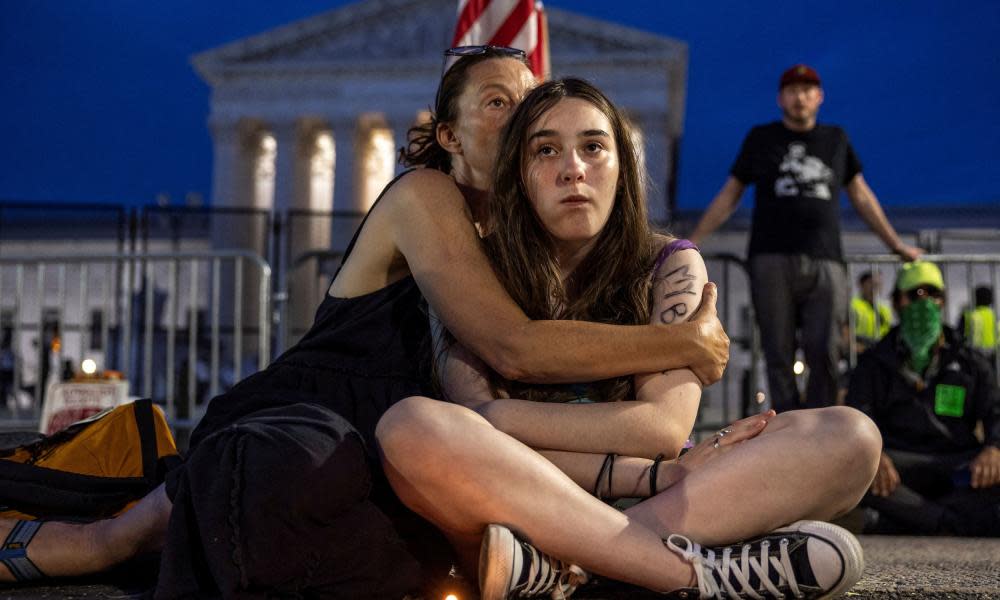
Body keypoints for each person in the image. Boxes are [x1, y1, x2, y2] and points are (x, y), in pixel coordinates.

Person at [0, 47, 730, 599]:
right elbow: (517, 348)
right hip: (318, 407)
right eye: (498, 103)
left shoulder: (515, 242)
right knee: (300, 481)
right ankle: (96, 542)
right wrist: (682, 341)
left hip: (411, 432)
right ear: (447, 134)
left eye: (530, 104)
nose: (523, 119)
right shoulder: (426, 194)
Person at [378, 78, 882, 600]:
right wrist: (648, 475)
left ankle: (567, 569)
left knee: (850, 438)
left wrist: (504, 419)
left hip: (635, 503)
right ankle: (690, 575)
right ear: (518, 177)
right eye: (546, 150)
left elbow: (660, 427)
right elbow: (473, 436)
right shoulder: (478, 272)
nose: (573, 168)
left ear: (623, 166)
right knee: (410, 427)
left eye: (593, 147)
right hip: (536, 500)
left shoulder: (669, 262)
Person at [689, 63, 922, 412]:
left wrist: (896, 245)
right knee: (777, 351)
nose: (800, 97)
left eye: (807, 90)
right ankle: (787, 428)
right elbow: (730, 194)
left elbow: (861, 195)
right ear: (781, 97)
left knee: (824, 348)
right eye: (792, 90)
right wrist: (693, 241)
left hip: (826, 258)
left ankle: (821, 426)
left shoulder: (835, 140)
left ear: (819, 97)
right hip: (771, 258)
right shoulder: (761, 138)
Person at [846, 261, 1000, 536]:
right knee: (852, 469)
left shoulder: (970, 362)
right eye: (914, 295)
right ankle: (952, 522)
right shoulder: (873, 363)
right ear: (895, 303)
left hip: (957, 464)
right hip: (896, 468)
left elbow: (995, 412)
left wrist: (994, 449)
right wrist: (874, 455)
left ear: (943, 301)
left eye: (933, 294)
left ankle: (907, 521)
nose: (924, 302)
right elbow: (856, 417)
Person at [851, 270, 893, 351]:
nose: (875, 287)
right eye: (871, 283)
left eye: (878, 284)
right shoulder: (853, 306)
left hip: (880, 352)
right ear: (861, 284)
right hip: (860, 352)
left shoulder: (884, 309)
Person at [959, 285, 998, 361]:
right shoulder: (995, 317)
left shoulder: (968, 315)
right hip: (992, 358)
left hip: (972, 358)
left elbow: (958, 336)